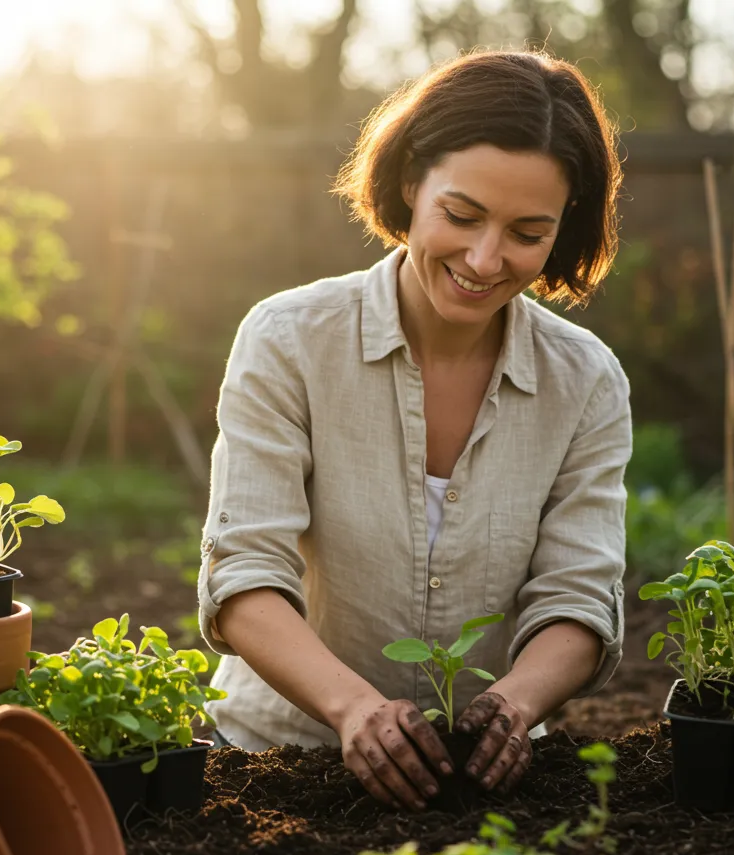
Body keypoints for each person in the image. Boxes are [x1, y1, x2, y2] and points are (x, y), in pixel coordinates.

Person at [197, 49, 631, 811]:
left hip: (483, 783)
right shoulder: (290, 340)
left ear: (563, 228)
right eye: (460, 216)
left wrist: (515, 706)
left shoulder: (585, 381)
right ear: (409, 183)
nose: (485, 258)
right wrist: (353, 711)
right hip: (275, 765)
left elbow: (579, 594)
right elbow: (244, 576)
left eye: (527, 232)